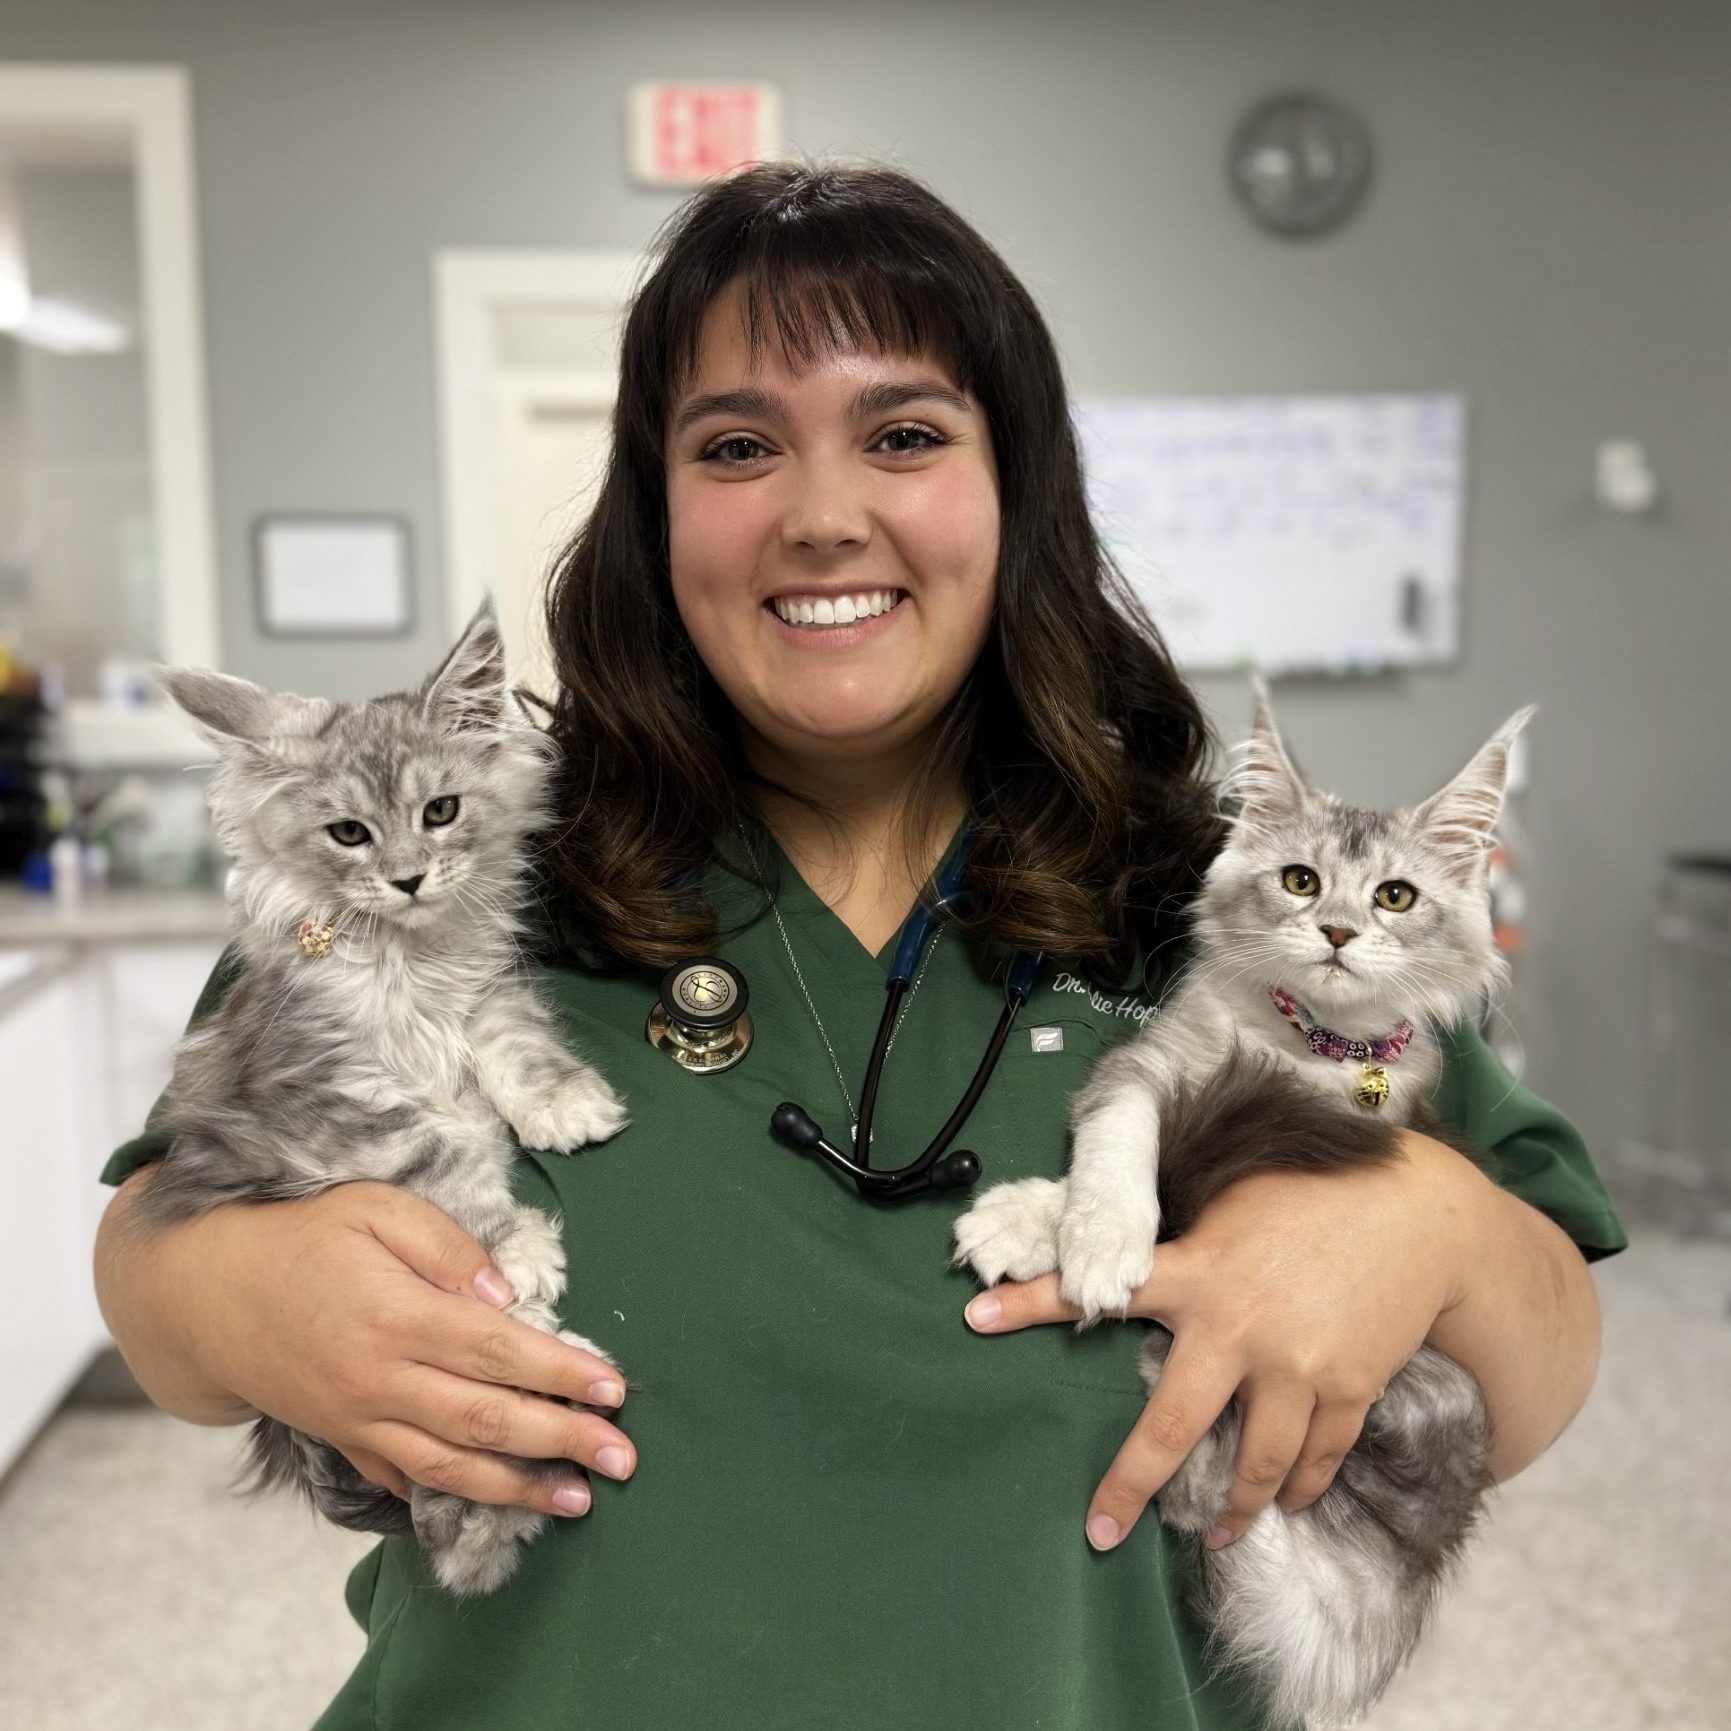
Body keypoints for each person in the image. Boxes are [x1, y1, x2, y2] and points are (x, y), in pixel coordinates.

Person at [94, 162, 1626, 1731]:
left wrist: (1428, 1223)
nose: (824, 519)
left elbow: (1544, 1359)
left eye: (904, 436)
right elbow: (150, 1259)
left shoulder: (1232, 902)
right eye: (737, 446)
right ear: (652, 508)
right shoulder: (451, 860)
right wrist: (241, 1294)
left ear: (1017, 489)